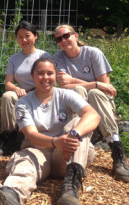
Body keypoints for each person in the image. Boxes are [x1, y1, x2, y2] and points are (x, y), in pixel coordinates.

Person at [0, 58, 100, 205]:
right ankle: (10, 196)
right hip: (38, 151)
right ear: (33, 76)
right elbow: (32, 135)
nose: (46, 77)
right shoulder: (23, 103)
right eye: (40, 73)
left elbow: (93, 115)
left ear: (55, 76)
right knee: (25, 163)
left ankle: (70, 190)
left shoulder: (66, 94)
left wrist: (72, 135)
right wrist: (56, 142)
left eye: (50, 73)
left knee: (79, 124)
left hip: (68, 155)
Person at [53, 24, 129, 183]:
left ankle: (117, 152)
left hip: (101, 103)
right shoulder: (59, 58)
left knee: (93, 93)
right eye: (59, 39)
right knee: (79, 91)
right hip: (80, 107)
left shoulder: (93, 53)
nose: (63, 40)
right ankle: (77, 151)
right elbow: (64, 86)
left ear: (75, 36)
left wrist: (75, 81)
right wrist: (94, 83)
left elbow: (106, 88)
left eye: (66, 36)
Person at [0, 21, 51, 157]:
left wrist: (35, 91)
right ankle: (9, 140)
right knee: (7, 96)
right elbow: (8, 83)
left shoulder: (44, 56)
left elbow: (48, 80)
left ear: (35, 36)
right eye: (19, 36)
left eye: (27, 35)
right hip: (21, 93)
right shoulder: (14, 59)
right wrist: (17, 89)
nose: (24, 40)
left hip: (39, 93)